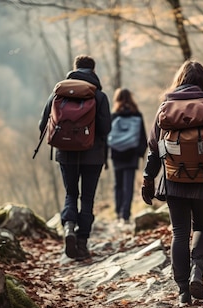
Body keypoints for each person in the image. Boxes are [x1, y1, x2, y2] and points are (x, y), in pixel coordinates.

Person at [141, 59, 203, 306]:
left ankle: (183, 290)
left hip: (174, 179)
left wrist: (148, 179)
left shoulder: (166, 106)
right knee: (202, 229)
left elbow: (154, 148)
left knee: (179, 232)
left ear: (180, 80)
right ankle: (197, 272)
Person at [38, 55, 111, 261]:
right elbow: (106, 128)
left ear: (75, 69)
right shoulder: (99, 96)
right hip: (93, 155)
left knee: (71, 193)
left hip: (66, 153)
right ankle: (82, 242)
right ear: (93, 70)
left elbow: (42, 125)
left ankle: (69, 227)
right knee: (87, 198)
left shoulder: (58, 94)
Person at [109, 88, 147, 224]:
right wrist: (139, 152)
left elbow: (108, 136)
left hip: (116, 154)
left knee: (118, 184)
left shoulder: (114, 115)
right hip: (132, 154)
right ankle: (126, 215)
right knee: (128, 185)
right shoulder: (137, 115)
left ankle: (118, 213)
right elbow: (143, 136)